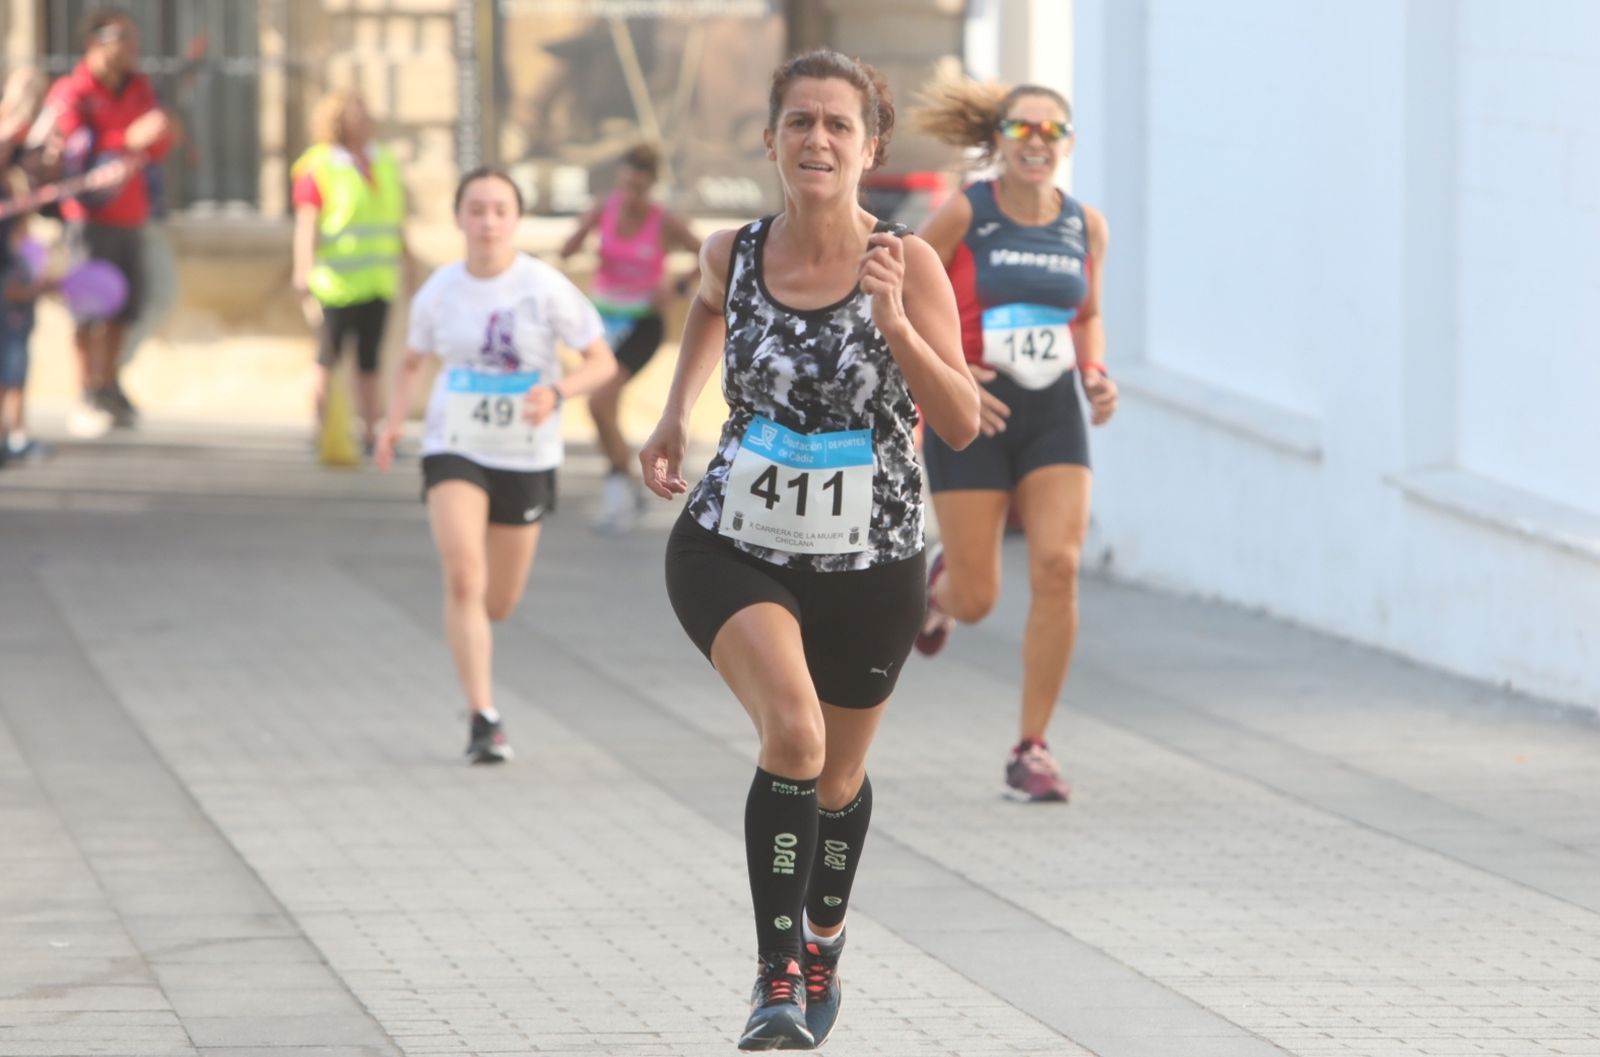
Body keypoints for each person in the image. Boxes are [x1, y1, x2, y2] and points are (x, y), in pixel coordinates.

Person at [639, 49, 979, 1050]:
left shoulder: (907, 263)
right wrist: (672, 413)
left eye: (838, 125)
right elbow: (706, 303)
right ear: (772, 141)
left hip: (870, 561)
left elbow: (958, 420)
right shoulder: (732, 252)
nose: (818, 140)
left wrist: (892, 325)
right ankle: (776, 977)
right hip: (733, 543)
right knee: (795, 735)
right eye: (801, 122)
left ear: (870, 148)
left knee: (835, 780)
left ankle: (824, 935)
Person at [911, 77, 1118, 802]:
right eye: (1022, 130)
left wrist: (1094, 372)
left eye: (1051, 132)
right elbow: (905, 281)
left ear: (1066, 144)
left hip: (1053, 411)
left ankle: (1032, 747)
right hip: (973, 413)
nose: (1036, 143)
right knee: (978, 600)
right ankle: (939, 588)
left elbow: (1086, 312)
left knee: (1059, 565)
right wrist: (944, 362)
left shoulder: (1085, 225)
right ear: (998, 139)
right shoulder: (969, 211)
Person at [374, 168, 615, 763]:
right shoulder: (440, 290)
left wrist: (558, 394)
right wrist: (390, 425)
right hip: (454, 443)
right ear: (459, 218)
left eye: (499, 210)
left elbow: (600, 362)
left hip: (525, 452)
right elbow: (410, 363)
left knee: (497, 601)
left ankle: (472, 634)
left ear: (515, 219)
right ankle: (484, 717)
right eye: (476, 210)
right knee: (463, 575)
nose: (487, 222)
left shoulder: (545, 286)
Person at [40, 6, 171, 437]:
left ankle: (108, 383)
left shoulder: (139, 88)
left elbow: (157, 147)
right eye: (126, 39)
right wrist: (127, 139)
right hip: (87, 218)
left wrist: (156, 135)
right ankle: (85, 391)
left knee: (125, 308)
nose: (135, 49)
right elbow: (74, 155)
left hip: (132, 214)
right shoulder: (73, 91)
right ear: (99, 42)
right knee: (87, 309)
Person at [558, 144, 701, 532]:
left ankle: (619, 488)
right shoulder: (604, 208)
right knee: (602, 407)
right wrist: (581, 234)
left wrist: (676, 288)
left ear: (652, 187)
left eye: (639, 189)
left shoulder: (664, 220)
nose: (631, 197)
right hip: (604, 322)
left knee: (600, 402)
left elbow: (707, 253)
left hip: (642, 324)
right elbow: (567, 250)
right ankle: (625, 482)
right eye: (626, 186)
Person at [292, 89, 410, 455]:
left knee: (370, 360)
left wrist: (408, 258)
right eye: (352, 113)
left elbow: (393, 216)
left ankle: (371, 432)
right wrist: (303, 272)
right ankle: (322, 429)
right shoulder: (320, 165)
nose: (361, 120)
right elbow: (307, 223)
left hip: (377, 279)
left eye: (364, 111)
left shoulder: (384, 161)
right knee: (327, 358)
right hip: (335, 283)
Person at [0, 215, 53, 465]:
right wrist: (35, 290)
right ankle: (12, 434)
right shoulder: (7, 260)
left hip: (19, 331)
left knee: (17, 382)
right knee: (9, 383)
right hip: (7, 332)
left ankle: (16, 433)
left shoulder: (22, 258)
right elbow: (10, 290)